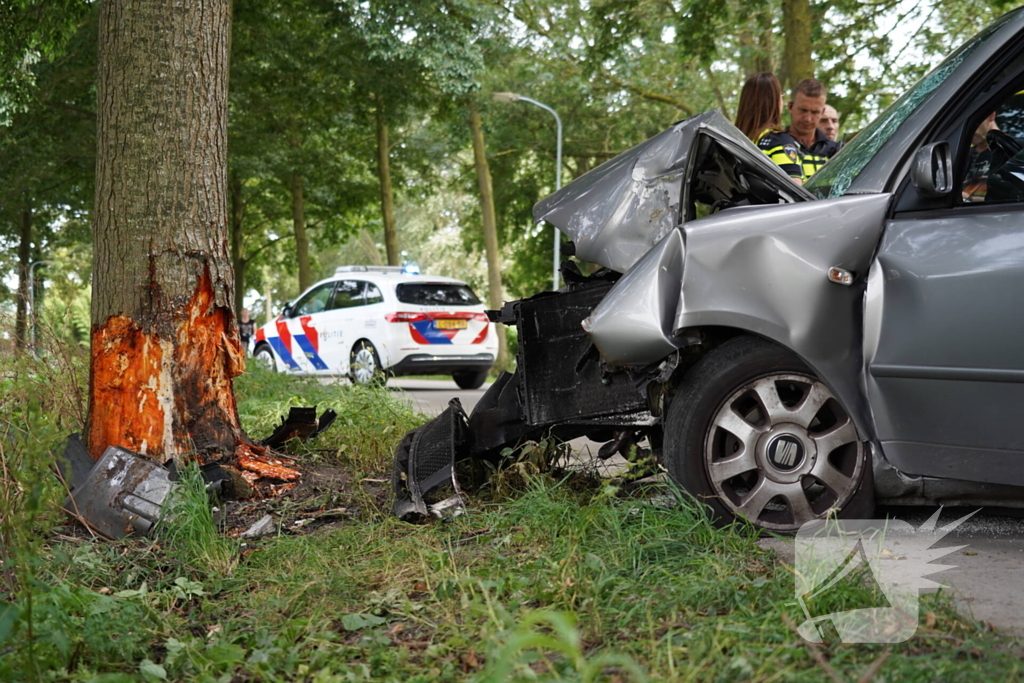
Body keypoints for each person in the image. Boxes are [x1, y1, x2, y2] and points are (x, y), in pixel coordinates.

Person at [735, 72, 804, 184]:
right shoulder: (778, 141)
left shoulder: (734, 141)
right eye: (781, 96)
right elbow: (795, 191)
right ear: (774, 101)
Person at [785, 78, 839, 179]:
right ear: (790, 107)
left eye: (815, 112)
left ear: (822, 112)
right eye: (803, 110)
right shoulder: (776, 145)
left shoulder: (836, 151)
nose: (808, 119)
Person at [964, 112, 999, 202]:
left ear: (991, 116)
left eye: (973, 122)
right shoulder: (963, 156)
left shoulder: (1016, 152)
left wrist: (970, 199)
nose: (967, 129)